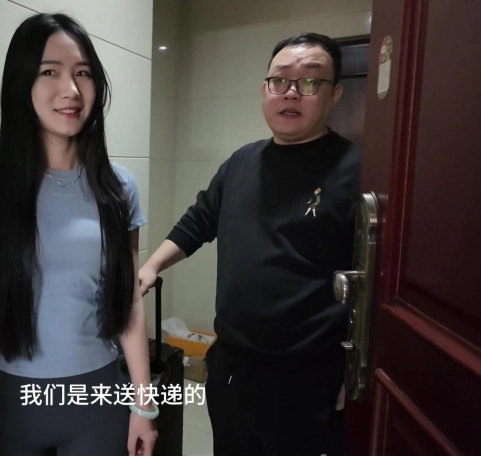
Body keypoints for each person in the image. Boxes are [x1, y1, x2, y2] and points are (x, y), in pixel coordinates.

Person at [139, 33, 361, 456]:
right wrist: (151, 267)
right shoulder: (241, 162)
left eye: (310, 81)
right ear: (265, 90)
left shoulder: (356, 170)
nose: (291, 92)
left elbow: (374, 282)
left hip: (308, 374)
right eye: (280, 80)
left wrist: (353, 372)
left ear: (335, 94)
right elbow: (198, 221)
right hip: (232, 365)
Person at [0, 13, 158, 456]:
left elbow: (129, 301)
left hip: (98, 399)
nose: (71, 90)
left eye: (83, 73)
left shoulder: (118, 186)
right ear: (22, 82)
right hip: (13, 401)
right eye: (50, 72)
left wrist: (144, 405)